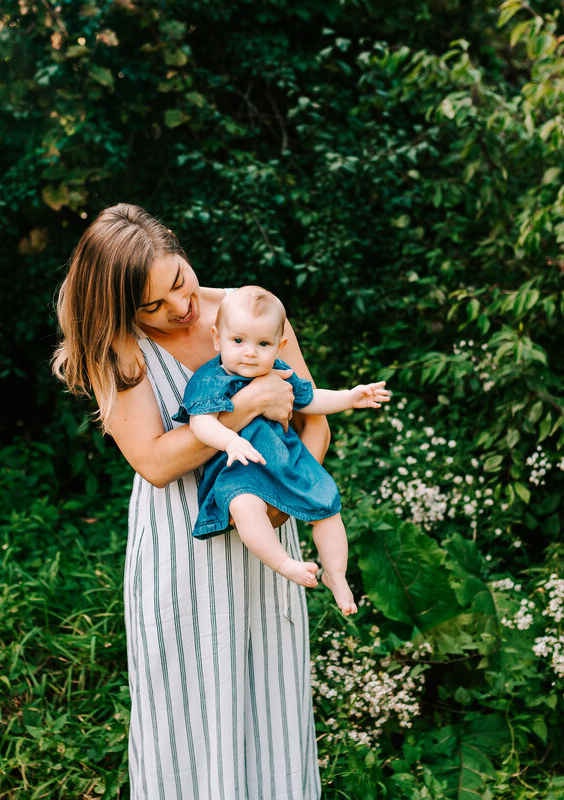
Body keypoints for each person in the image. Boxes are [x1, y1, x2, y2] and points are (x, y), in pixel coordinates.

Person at [52, 204, 324, 799]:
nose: (179, 307)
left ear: (180, 252)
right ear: (125, 307)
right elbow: (152, 461)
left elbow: (312, 422)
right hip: (181, 556)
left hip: (268, 542)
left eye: (179, 281)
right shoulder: (120, 347)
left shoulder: (254, 312)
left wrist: (287, 504)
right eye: (152, 304)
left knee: (273, 713)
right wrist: (246, 406)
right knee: (186, 724)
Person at [173, 286, 389, 616]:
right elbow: (201, 424)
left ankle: (336, 574)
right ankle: (285, 563)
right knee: (245, 507)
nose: (250, 352)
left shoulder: (280, 372)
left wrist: (350, 397)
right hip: (239, 467)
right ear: (217, 339)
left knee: (327, 507)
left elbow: (312, 400)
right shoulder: (211, 379)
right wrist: (230, 441)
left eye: (263, 344)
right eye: (238, 341)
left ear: (279, 346)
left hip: (283, 458)